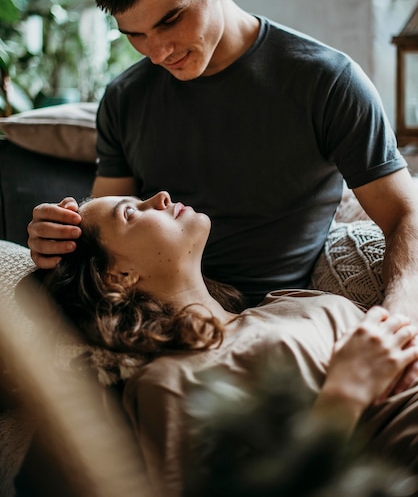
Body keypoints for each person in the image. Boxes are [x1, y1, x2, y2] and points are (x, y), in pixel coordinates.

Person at [28, 0, 418, 389]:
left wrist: (401, 317)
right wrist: (58, 236)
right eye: (136, 35)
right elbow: (106, 229)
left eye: (170, 20)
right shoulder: (125, 98)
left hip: (273, 328)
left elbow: (406, 213)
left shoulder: (326, 81)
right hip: (156, 326)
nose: (158, 51)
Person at [38, 191, 418, 497]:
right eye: (132, 213)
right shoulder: (168, 382)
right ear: (119, 276)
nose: (161, 196)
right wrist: (344, 396)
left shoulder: (289, 301)